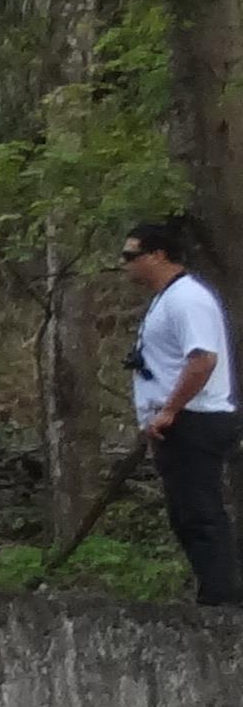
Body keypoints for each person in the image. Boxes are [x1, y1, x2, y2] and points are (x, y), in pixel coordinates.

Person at [122, 218, 243, 605]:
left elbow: (203, 359)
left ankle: (222, 597)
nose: (125, 263)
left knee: (200, 511)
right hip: (179, 422)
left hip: (196, 419)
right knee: (186, 513)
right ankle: (213, 589)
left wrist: (171, 409)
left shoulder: (187, 298)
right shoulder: (167, 300)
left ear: (158, 255)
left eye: (131, 255)